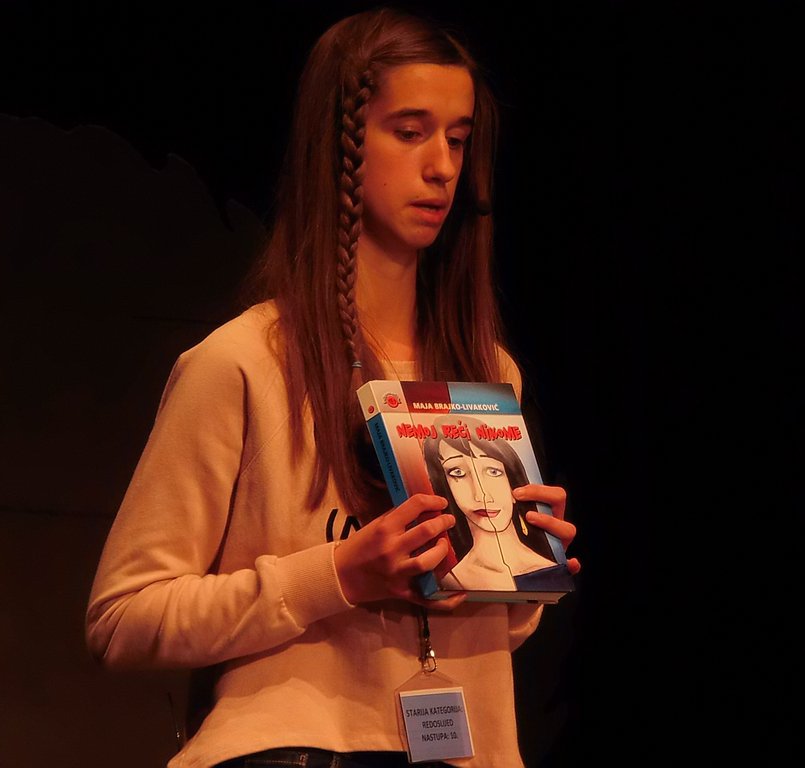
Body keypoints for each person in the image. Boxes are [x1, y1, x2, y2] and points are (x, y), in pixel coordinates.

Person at [84, 7, 580, 768]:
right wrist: (338, 574)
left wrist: (519, 570)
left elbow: (486, 634)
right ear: (342, 148)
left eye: (457, 138)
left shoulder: (487, 372)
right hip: (296, 749)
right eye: (409, 132)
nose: (442, 167)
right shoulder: (244, 362)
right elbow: (123, 619)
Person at [422, 415, 565, 592]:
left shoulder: (551, 571)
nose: (481, 494)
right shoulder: (452, 581)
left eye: (493, 471)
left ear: (513, 483)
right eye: (457, 472)